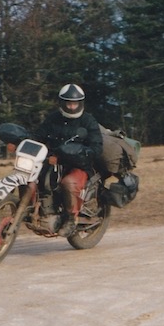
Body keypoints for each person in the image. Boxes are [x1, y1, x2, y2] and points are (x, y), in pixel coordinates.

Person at [33, 83, 103, 236]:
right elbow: (38, 136)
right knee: (36, 178)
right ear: (62, 103)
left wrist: (78, 152)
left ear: (80, 103)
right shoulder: (53, 119)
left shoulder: (88, 121)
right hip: (54, 161)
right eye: (68, 103)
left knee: (68, 183)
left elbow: (97, 148)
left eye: (75, 103)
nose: (72, 107)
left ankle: (72, 219)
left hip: (78, 165)